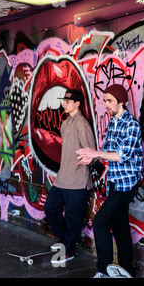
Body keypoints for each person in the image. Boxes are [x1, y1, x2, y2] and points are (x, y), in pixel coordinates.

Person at [76, 84, 143, 278]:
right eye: (105, 100)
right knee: (121, 226)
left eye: (110, 101)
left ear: (121, 102)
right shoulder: (113, 122)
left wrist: (95, 153)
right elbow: (107, 151)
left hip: (127, 184)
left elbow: (123, 154)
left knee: (100, 221)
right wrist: (93, 157)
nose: (106, 104)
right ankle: (126, 270)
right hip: (115, 182)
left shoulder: (131, 124)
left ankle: (104, 271)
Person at [44, 89, 96, 264]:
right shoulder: (65, 124)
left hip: (77, 180)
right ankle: (67, 240)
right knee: (50, 209)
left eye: (68, 101)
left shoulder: (82, 124)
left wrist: (86, 163)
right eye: (64, 101)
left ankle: (68, 248)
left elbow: (91, 153)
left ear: (77, 104)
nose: (64, 103)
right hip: (62, 178)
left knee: (73, 218)